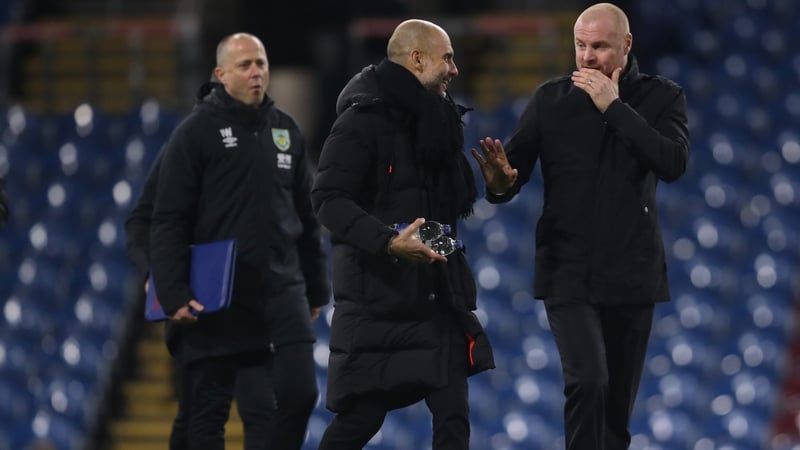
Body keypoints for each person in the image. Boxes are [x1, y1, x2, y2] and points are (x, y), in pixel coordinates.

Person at [471, 3, 689, 449]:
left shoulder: (662, 96)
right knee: (587, 382)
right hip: (567, 270)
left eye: (599, 47)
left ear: (626, 45)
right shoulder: (549, 100)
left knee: (615, 416)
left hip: (633, 273)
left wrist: (613, 107)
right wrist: (498, 182)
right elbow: (511, 175)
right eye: (580, 45)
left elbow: (672, 162)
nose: (587, 57)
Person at [311, 19, 495, 450]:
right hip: (381, 301)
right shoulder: (362, 120)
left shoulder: (439, 120)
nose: (455, 69)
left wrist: (498, 187)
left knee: (454, 416)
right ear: (417, 59)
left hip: (435, 294)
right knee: (362, 419)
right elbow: (328, 198)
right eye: (447, 58)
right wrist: (388, 242)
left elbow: (444, 208)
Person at [146, 32, 330, 449]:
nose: (256, 72)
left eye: (261, 63)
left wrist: (317, 287)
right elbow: (168, 219)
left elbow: (306, 216)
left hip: (282, 289)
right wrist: (173, 292)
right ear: (221, 74)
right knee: (205, 417)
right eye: (245, 64)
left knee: (301, 393)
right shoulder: (194, 134)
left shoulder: (287, 131)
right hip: (216, 292)